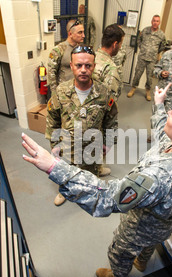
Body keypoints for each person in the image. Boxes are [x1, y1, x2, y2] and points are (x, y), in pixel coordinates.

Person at [22, 83, 172, 277]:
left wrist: (54, 167)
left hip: (140, 225)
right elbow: (162, 133)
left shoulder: (159, 177)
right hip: (163, 223)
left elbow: (106, 197)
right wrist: (159, 104)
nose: (168, 113)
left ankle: (118, 276)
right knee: (148, 245)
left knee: (121, 250)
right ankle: (141, 262)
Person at [45, 46, 118, 206]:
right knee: (65, 171)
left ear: (94, 66)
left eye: (88, 65)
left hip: (92, 145)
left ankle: (91, 184)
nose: (83, 70)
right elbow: (53, 119)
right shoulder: (61, 91)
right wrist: (54, 144)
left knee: (90, 171)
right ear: (71, 65)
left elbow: (111, 119)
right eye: (79, 65)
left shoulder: (104, 92)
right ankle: (64, 190)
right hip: (67, 145)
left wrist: (108, 141)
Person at [92, 23, 125, 177]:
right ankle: (93, 173)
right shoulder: (111, 69)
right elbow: (110, 106)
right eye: (121, 44)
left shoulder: (89, 59)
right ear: (115, 44)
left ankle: (95, 169)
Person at [127, 15, 166, 101]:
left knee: (149, 77)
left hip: (152, 59)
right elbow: (139, 39)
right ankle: (133, 88)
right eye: (154, 20)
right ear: (151, 21)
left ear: (159, 23)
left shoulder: (161, 34)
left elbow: (162, 46)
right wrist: (142, 47)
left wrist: (156, 52)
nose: (155, 22)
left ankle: (148, 91)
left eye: (157, 21)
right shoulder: (145, 30)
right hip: (142, 57)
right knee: (137, 74)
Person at [47, 20, 85, 95]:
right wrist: (54, 94)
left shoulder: (81, 49)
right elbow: (51, 74)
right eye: (80, 32)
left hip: (78, 91)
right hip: (64, 93)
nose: (83, 35)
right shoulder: (59, 50)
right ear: (70, 34)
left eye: (83, 32)